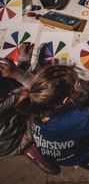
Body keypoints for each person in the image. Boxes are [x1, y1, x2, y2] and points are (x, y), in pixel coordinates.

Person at [16, 63, 89, 174]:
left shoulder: (36, 105)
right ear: (67, 100)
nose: (82, 83)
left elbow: (87, 87)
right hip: (87, 153)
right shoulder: (77, 119)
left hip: (57, 152)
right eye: (78, 82)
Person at [0, 44, 60, 174]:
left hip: (11, 119)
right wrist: (16, 72)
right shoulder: (5, 102)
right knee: (55, 104)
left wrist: (23, 60)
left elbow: (13, 82)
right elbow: (39, 90)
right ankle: (30, 146)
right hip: (17, 137)